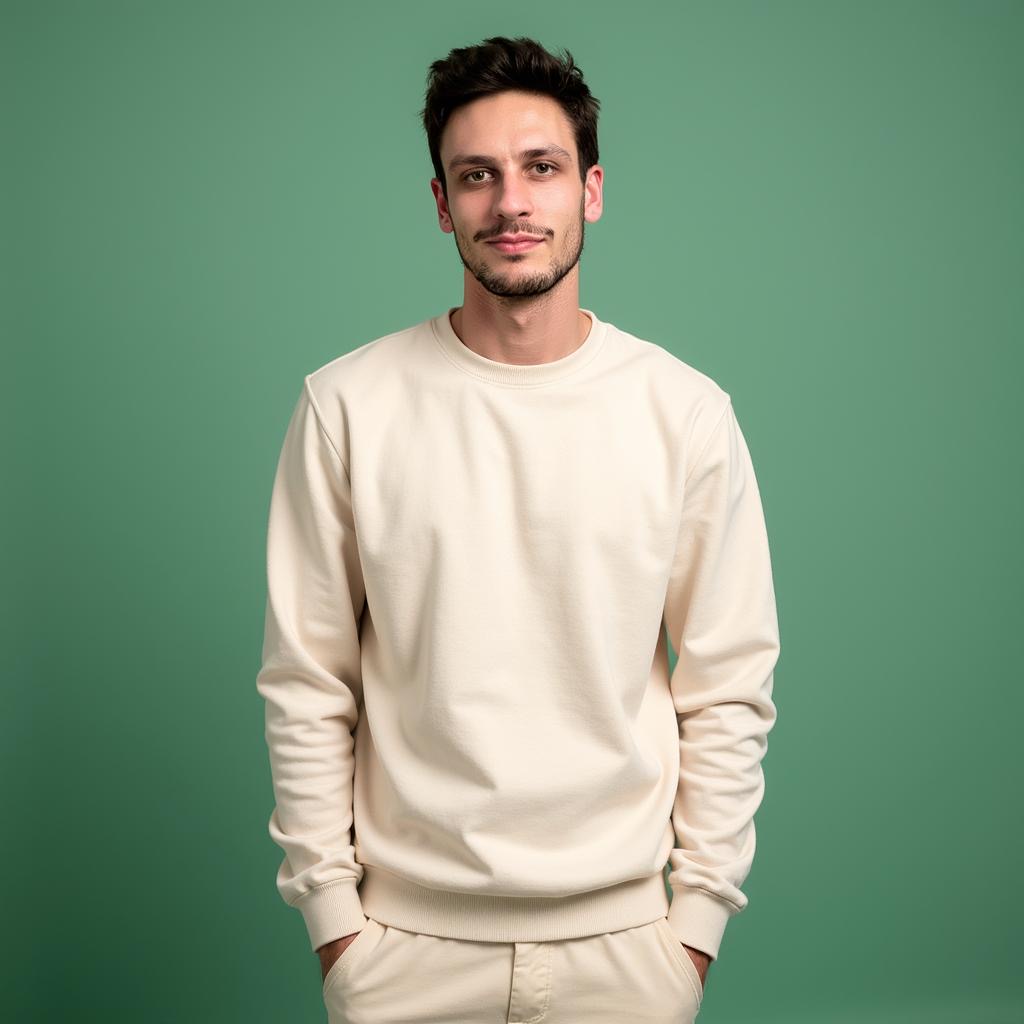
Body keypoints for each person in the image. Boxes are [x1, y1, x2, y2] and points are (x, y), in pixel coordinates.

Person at [256, 35, 781, 1024]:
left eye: (541, 168)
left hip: (627, 953)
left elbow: (728, 685)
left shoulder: (684, 414)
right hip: (403, 951)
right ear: (441, 202)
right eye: (477, 175)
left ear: (591, 190)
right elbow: (307, 681)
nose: (510, 203)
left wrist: (694, 929)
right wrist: (335, 925)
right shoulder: (347, 407)